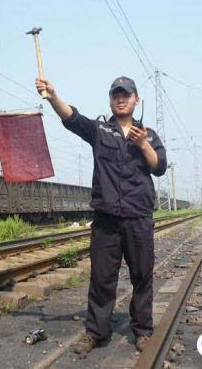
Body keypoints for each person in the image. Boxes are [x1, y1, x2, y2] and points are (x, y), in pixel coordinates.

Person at [35, 76, 167, 354]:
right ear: (110, 99)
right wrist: (52, 95)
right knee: (102, 278)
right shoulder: (99, 131)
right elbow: (72, 118)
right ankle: (96, 331)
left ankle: (142, 331)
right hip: (106, 219)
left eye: (126, 94)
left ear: (136, 100)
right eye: (116, 94)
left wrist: (143, 144)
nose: (121, 99)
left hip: (138, 217)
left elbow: (159, 167)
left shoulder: (150, 134)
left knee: (142, 276)